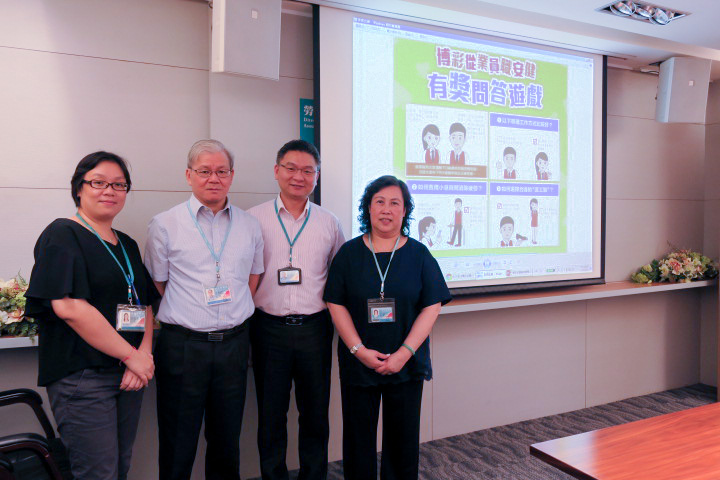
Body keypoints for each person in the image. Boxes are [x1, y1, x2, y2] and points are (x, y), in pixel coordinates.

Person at [25, 151, 158, 480]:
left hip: (128, 374)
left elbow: (145, 305)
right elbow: (69, 307)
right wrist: (131, 355)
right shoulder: (62, 234)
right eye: (98, 182)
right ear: (79, 188)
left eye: (119, 184)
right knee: (97, 473)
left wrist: (143, 356)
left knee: (120, 466)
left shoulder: (126, 244)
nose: (109, 190)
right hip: (83, 377)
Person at [144, 139, 264, 480]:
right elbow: (158, 283)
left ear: (232, 176)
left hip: (234, 345)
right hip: (184, 347)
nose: (214, 178)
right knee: (177, 441)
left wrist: (231, 311)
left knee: (227, 441)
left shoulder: (249, 224)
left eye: (222, 171)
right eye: (205, 171)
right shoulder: (165, 224)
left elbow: (253, 276)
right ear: (189, 175)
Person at [323, 175, 451, 480]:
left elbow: (432, 305)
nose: (386, 209)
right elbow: (335, 302)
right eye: (379, 201)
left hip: (405, 363)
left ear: (405, 211)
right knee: (358, 441)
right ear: (368, 207)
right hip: (359, 362)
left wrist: (404, 353)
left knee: (403, 442)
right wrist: (359, 350)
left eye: (395, 203)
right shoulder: (349, 253)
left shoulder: (419, 254)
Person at [247, 139, 345, 480]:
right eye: (291, 168)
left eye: (308, 171)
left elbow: (338, 277)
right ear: (277, 171)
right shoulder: (252, 219)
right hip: (267, 329)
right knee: (270, 414)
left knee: (315, 413)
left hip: (315, 328)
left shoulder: (329, 222)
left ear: (316, 177)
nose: (299, 176)